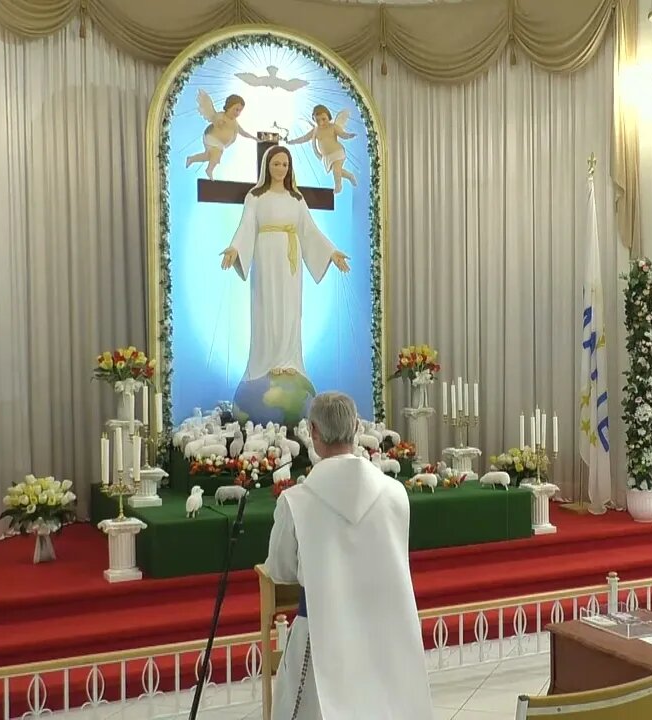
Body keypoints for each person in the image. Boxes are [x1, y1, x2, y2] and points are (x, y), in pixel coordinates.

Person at [264, 392, 433, 720]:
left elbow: (281, 570)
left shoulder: (296, 501)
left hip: (320, 635)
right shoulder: (395, 493)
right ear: (356, 427)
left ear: (312, 432)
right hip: (385, 632)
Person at [220, 146, 350, 383]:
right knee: (267, 305)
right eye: (276, 164)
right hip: (266, 255)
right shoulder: (256, 196)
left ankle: (289, 360)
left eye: (285, 164)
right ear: (267, 166)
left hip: (291, 259)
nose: (281, 168)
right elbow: (247, 224)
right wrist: (235, 247)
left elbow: (310, 230)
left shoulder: (296, 199)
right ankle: (267, 361)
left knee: (290, 308)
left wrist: (331, 252)